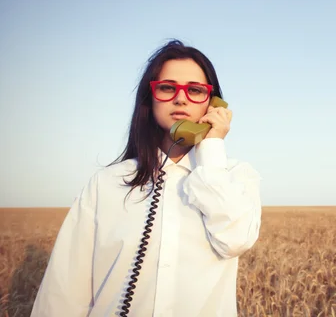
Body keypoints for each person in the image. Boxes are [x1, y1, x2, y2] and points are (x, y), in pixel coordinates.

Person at [31, 40, 262, 316]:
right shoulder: (107, 184)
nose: (181, 98)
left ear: (213, 104)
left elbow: (235, 239)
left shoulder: (236, 177)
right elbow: (65, 292)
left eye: (195, 90)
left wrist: (211, 149)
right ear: (149, 98)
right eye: (167, 87)